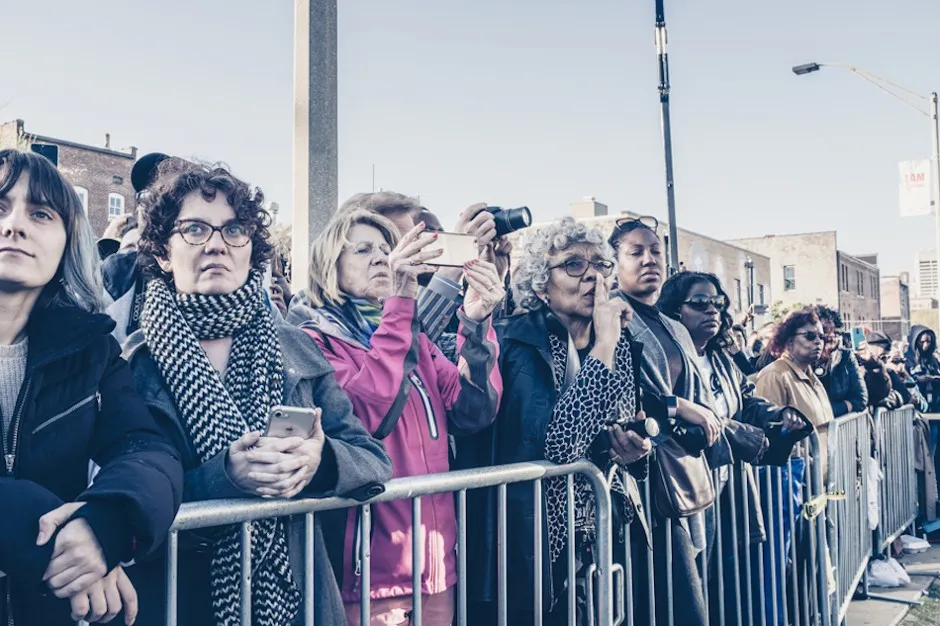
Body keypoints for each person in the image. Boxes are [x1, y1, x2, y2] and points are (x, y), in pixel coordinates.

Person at [125, 161, 392, 626]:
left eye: (234, 230)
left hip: (297, 597)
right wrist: (226, 477)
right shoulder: (132, 363)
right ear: (163, 252)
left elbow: (371, 459)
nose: (216, 244)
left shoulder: (295, 345)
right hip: (181, 597)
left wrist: (320, 460)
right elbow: (124, 495)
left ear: (251, 247)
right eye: (193, 229)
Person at [289, 208, 503, 625]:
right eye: (363, 250)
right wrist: (402, 304)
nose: (381, 259)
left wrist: (476, 326)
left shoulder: (413, 336)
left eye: (387, 249)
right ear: (328, 267)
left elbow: (474, 411)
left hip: (435, 562)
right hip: (369, 570)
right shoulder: (315, 340)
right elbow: (371, 415)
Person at [0, 149, 184, 625]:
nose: (15, 225)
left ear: (66, 240)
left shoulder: (91, 349)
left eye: (40, 213)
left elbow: (147, 448)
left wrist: (107, 522)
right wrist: (53, 531)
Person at [466, 218, 651, 624]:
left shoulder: (620, 346)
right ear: (539, 284)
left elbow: (618, 439)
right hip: (530, 545)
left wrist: (636, 452)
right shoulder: (515, 342)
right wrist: (604, 344)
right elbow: (560, 447)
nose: (591, 276)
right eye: (572, 265)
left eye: (600, 265)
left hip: (600, 539)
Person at [657, 272, 810, 626]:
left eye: (717, 303)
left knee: (728, 579)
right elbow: (689, 424)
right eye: (699, 303)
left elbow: (744, 400)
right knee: (693, 586)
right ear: (675, 310)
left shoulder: (720, 358)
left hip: (729, 488)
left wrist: (778, 415)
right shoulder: (668, 357)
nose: (711, 310)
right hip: (687, 489)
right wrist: (748, 438)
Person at [609, 215, 719, 626]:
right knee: (661, 600)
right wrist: (676, 406)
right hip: (640, 476)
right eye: (635, 252)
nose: (648, 259)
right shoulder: (611, 316)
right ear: (615, 262)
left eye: (655, 250)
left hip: (685, 469)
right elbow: (623, 389)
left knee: (690, 583)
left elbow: (703, 398)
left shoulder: (674, 326)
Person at [755, 308, 835, 473]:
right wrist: (810, 463)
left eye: (822, 337)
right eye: (810, 336)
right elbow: (769, 437)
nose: (818, 342)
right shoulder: (774, 376)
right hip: (798, 483)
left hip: (824, 482)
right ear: (788, 341)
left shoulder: (813, 378)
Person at [814, 305, 867, 418]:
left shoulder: (845, 357)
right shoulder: (805, 358)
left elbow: (860, 400)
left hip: (839, 430)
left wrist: (830, 411)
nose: (831, 336)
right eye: (825, 331)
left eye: (836, 332)